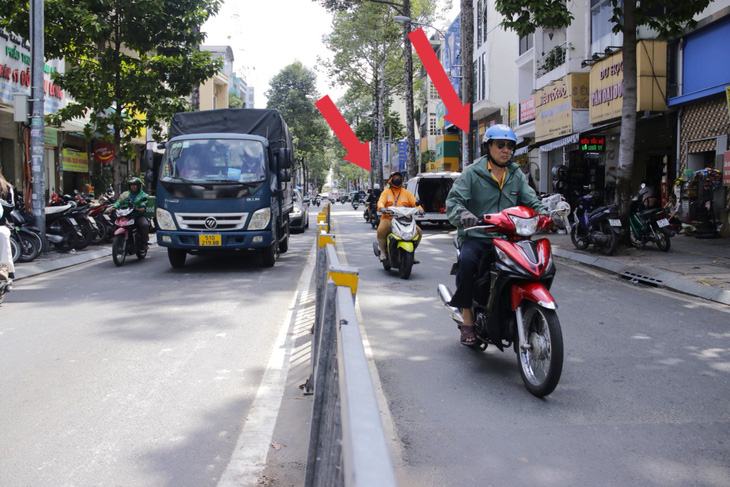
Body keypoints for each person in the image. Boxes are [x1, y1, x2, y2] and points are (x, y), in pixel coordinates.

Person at [445, 124, 547, 346]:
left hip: (510, 239)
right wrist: (463, 213)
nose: (506, 150)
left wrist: (548, 215)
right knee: (467, 263)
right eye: (500, 145)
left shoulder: (516, 174)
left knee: (533, 267)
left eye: (510, 146)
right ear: (488, 146)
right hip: (478, 236)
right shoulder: (473, 173)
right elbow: (454, 201)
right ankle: (468, 320)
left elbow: (531, 200)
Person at [376, 172, 423, 260]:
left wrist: (420, 209)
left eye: (399, 178)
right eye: (395, 178)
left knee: (418, 231)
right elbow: (381, 202)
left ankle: (411, 253)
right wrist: (381, 208)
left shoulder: (407, 193)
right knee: (381, 229)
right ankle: (382, 251)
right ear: (390, 180)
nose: (397, 179)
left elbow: (414, 203)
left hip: (404, 219)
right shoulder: (386, 192)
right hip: (389, 218)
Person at [113, 177, 150, 248]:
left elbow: (144, 203)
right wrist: (114, 207)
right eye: (131, 185)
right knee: (116, 223)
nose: (133, 186)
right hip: (126, 214)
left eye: (135, 185)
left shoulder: (143, 195)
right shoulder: (125, 194)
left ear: (138, 186)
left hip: (138, 215)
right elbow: (119, 201)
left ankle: (144, 243)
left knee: (144, 224)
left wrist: (142, 208)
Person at [0, 171, 15, 294]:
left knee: (2, 234)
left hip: (2, 224)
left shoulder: (7, 188)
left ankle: (4, 269)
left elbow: (11, 206)